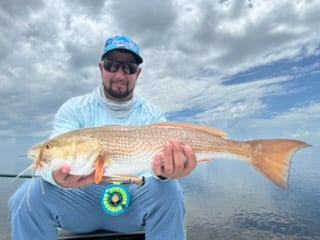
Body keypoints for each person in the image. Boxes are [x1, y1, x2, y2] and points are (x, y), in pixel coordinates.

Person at [8, 35, 197, 240]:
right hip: (79, 200)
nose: (119, 74)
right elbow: (53, 156)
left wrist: (166, 172)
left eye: (128, 68)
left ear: (138, 73)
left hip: (134, 199)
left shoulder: (152, 114)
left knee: (170, 190)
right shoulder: (74, 109)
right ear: (101, 68)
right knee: (26, 198)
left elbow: (159, 176)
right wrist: (55, 176)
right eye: (112, 65)